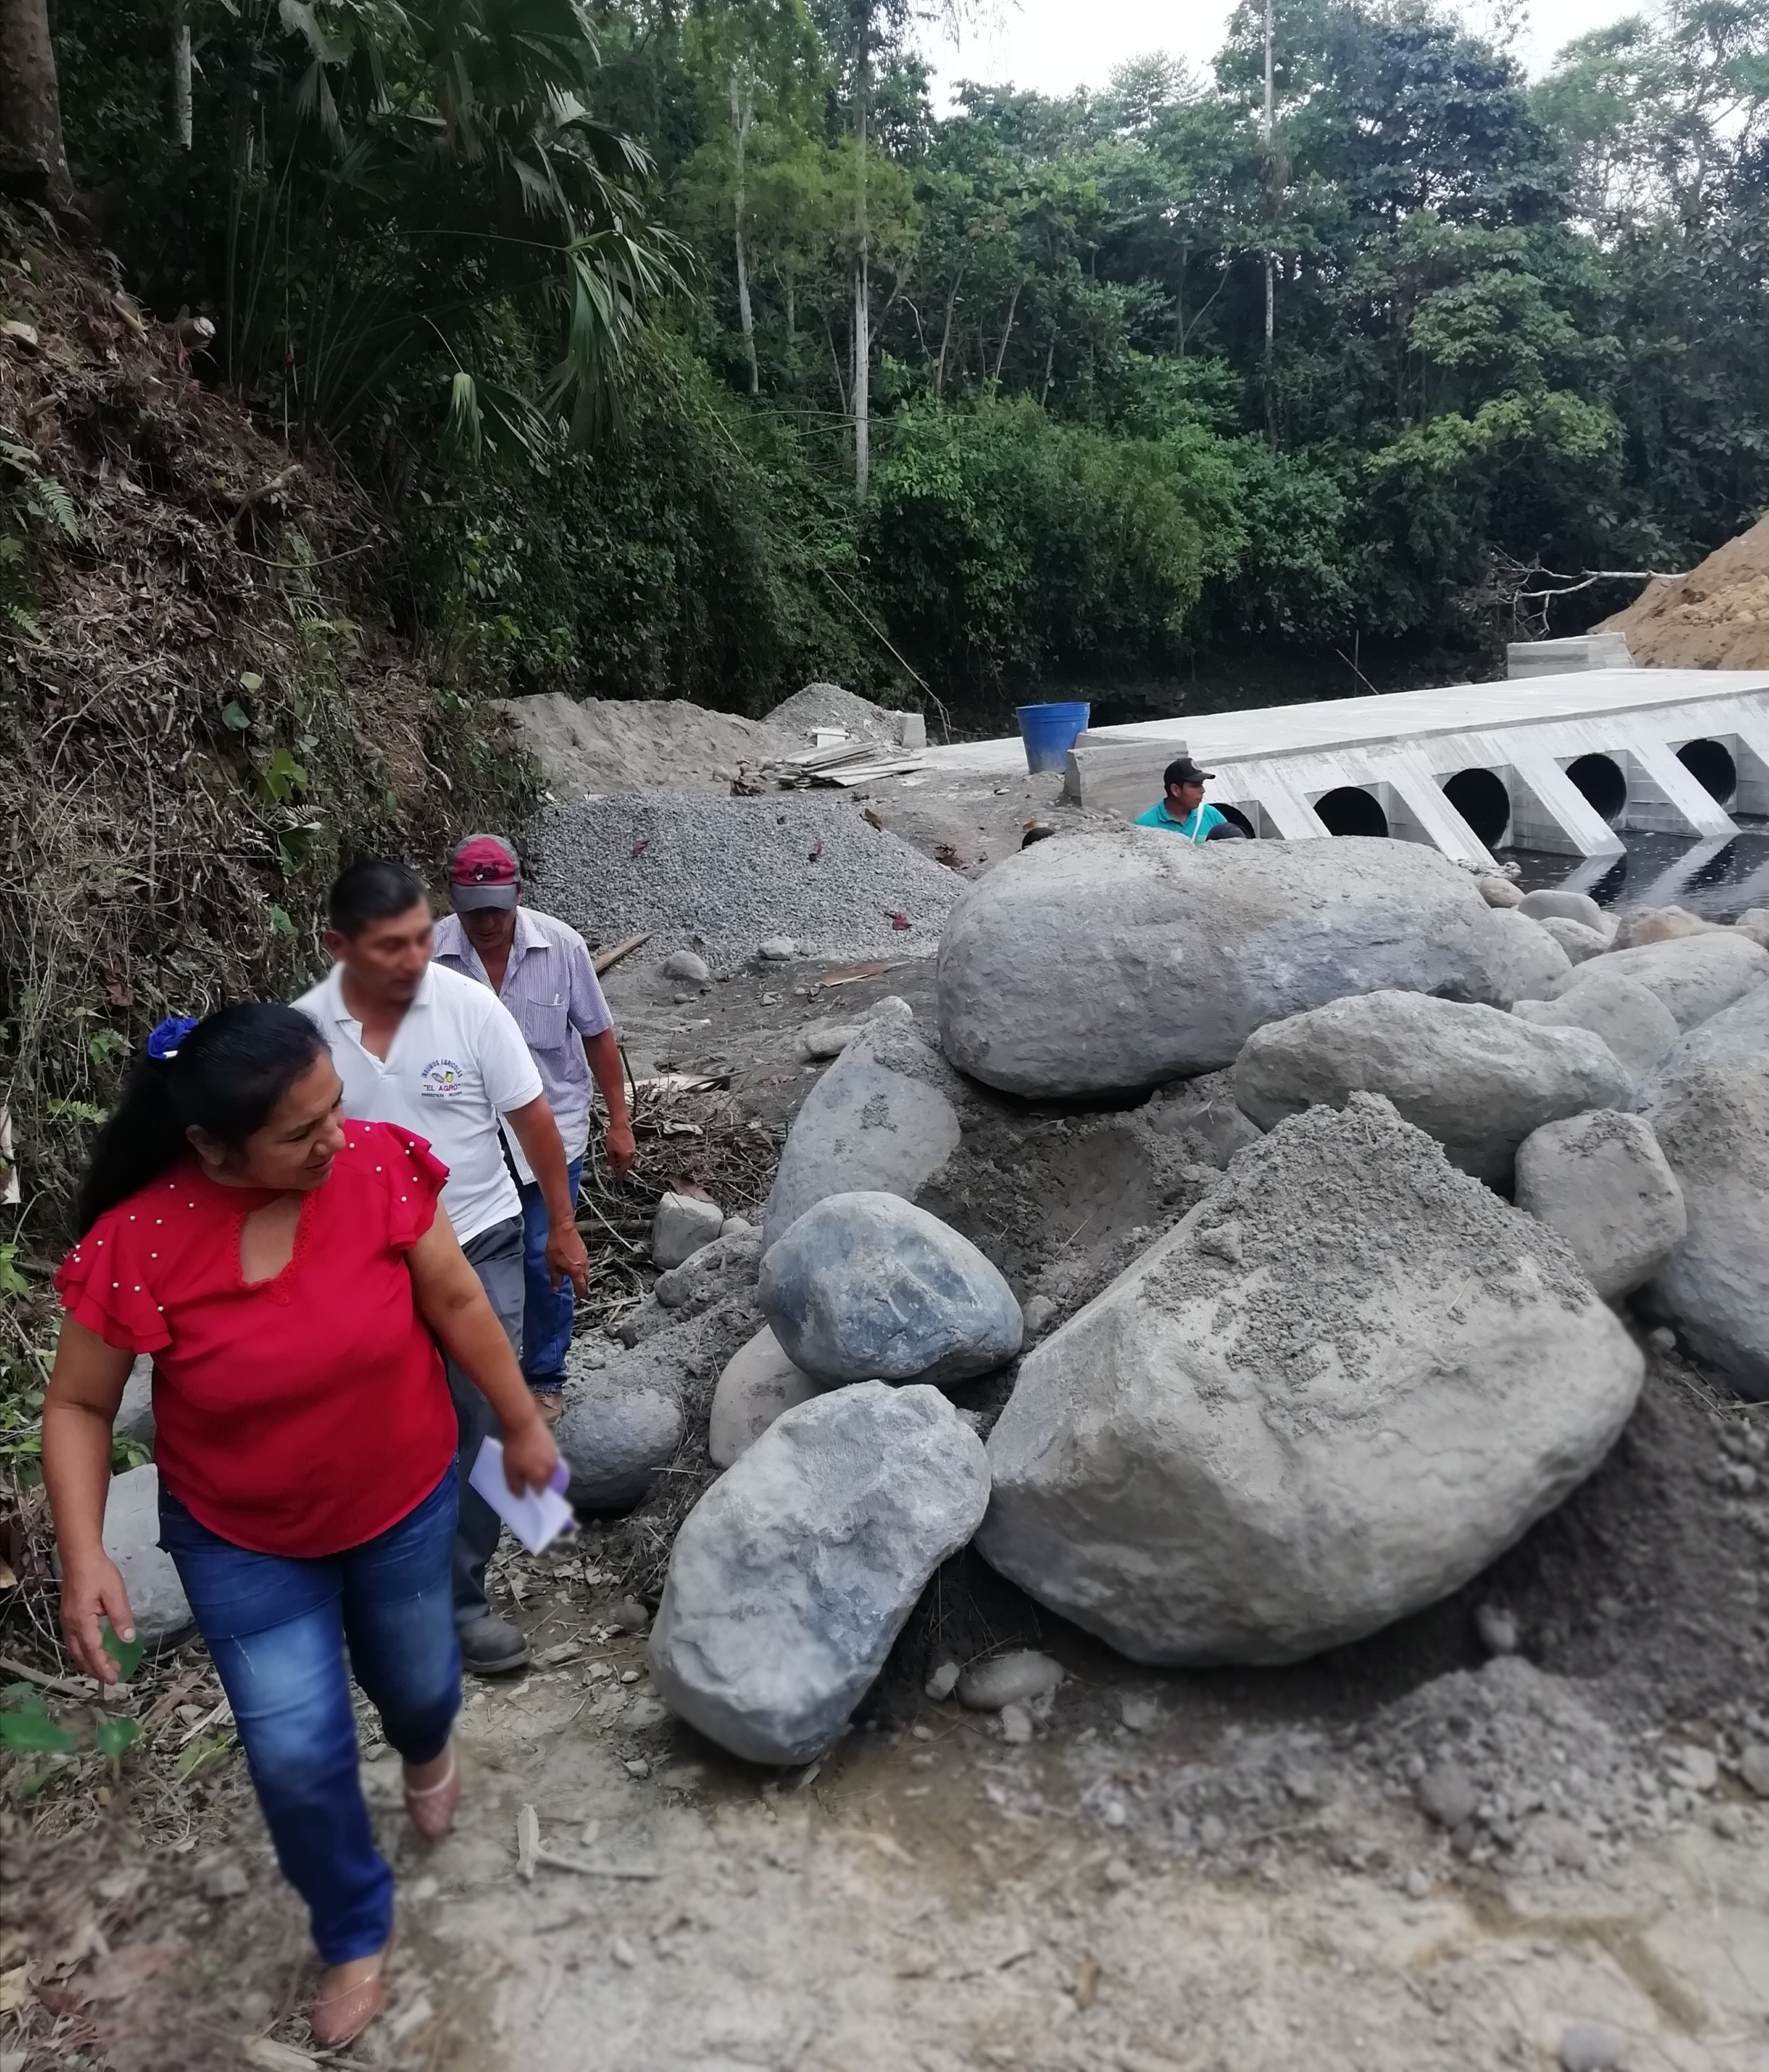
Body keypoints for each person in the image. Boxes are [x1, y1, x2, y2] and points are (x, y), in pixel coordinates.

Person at [42, 1005, 559, 2047]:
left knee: (418, 1681)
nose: (335, 1136)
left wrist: (518, 1421)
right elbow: (81, 1404)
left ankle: (426, 1749)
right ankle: (355, 1928)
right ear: (210, 1145)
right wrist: (85, 1551)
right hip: (242, 1537)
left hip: (403, 1498)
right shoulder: (140, 1239)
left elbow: (458, 1301)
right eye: (300, 1130)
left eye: (334, 1107)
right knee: (293, 1754)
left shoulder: (376, 1165)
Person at [296, 859, 590, 1677]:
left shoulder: (468, 1008)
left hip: (479, 1234)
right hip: (363, 1255)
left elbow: (533, 1119)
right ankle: (369, 1592)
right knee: (373, 1421)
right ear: (339, 947)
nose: (415, 959)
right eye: (389, 946)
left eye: (422, 939)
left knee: (482, 1410)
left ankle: (461, 1601)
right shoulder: (304, 1033)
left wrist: (562, 1227)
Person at [432, 834, 635, 1425]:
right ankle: (475, 1383)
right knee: (467, 1263)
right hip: (468, 1139)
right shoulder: (429, 955)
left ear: (518, 894)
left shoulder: (562, 947)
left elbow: (597, 1035)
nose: (486, 923)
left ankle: (544, 1375)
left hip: (552, 1133)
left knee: (547, 1254)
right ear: (453, 899)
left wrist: (619, 1121)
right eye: (473, 910)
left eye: (497, 908)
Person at [1135, 757, 1246, 841]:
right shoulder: (1144, 825)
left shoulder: (1212, 815)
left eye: (1202, 784)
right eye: (1195, 786)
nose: (1202, 790)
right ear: (1175, 790)